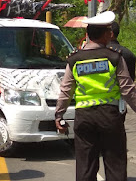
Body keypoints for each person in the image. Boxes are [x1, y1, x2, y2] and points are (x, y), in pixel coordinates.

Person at [55, 11, 136, 181]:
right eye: (108, 31)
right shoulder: (114, 58)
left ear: (88, 35)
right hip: (110, 118)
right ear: (106, 35)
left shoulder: (74, 60)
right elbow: (128, 90)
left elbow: (65, 90)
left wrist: (59, 115)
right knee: (115, 166)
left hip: (84, 118)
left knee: (85, 167)